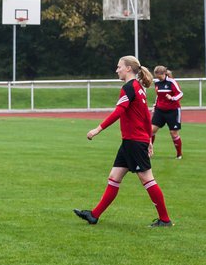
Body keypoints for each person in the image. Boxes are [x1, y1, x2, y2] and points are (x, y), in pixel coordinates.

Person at [73, 55, 172, 227]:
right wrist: (149, 139)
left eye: (119, 66)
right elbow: (147, 118)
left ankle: (165, 220)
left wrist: (97, 129)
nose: (116, 69)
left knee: (147, 179)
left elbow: (119, 111)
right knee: (114, 177)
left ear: (128, 69)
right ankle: (94, 215)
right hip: (131, 142)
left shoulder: (129, 87)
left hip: (134, 142)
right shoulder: (139, 87)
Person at [150, 65, 184, 159]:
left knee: (173, 133)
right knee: (151, 131)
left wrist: (172, 98)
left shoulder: (171, 82)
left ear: (164, 74)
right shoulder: (157, 82)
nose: (158, 78)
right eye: (156, 76)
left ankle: (179, 154)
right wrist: (155, 105)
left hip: (173, 111)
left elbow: (180, 93)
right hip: (160, 111)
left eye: (159, 76)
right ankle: (148, 152)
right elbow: (158, 96)